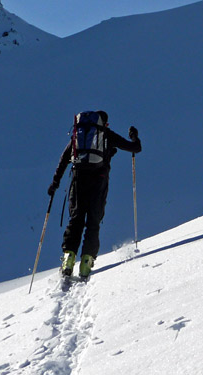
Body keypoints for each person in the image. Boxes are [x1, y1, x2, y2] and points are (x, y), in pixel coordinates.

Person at [48, 110, 140, 279]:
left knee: (75, 219)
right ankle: (86, 263)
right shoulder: (107, 134)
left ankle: (68, 259)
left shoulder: (78, 138)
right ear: (105, 124)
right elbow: (136, 148)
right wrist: (134, 136)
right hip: (98, 182)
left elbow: (63, 159)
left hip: (78, 179)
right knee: (93, 221)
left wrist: (55, 183)